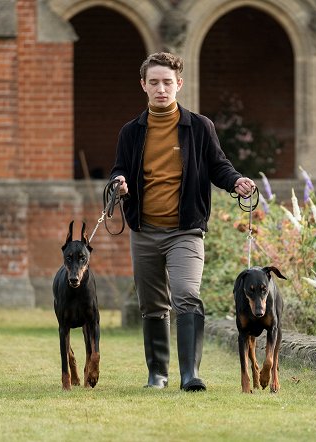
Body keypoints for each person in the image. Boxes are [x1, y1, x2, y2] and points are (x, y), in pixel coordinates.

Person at [110, 52, 255, 391]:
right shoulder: (130, 132)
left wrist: (236, 181)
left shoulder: (199, 127)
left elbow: (219, 166)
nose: (162, 89)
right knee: (152, 304)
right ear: (144, 85)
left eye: (168, 82)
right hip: (144, 231)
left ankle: (190, 374)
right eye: (155, 82)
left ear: (179, 84)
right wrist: (118, 183)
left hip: (185, 231)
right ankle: (157, 375)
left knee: (187, 294)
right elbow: (119, 167)